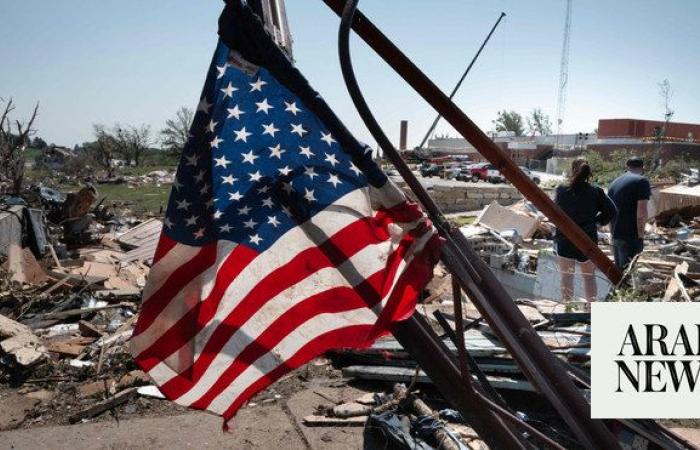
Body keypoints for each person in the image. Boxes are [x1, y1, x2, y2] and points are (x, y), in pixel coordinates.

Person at [554, 158, 617, 304]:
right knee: (589, 276)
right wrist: (597, 222)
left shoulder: (562, 189)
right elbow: (612, 210)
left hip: (565, 237)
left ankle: (567, 309)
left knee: (566, 276)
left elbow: (555, 212)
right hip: (587, 238)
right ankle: (590, 309)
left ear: (572, 169)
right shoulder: (595, 191)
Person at [607, 156, 651, 269]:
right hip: (631, 236)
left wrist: (611, 233)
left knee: (619, 274)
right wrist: (641, 236)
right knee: (627, 274)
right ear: (643, 168)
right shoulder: (642, 181)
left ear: (627, 167)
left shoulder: (614, 182)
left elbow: (608, 210)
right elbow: (641, 211)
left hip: (616, 234)